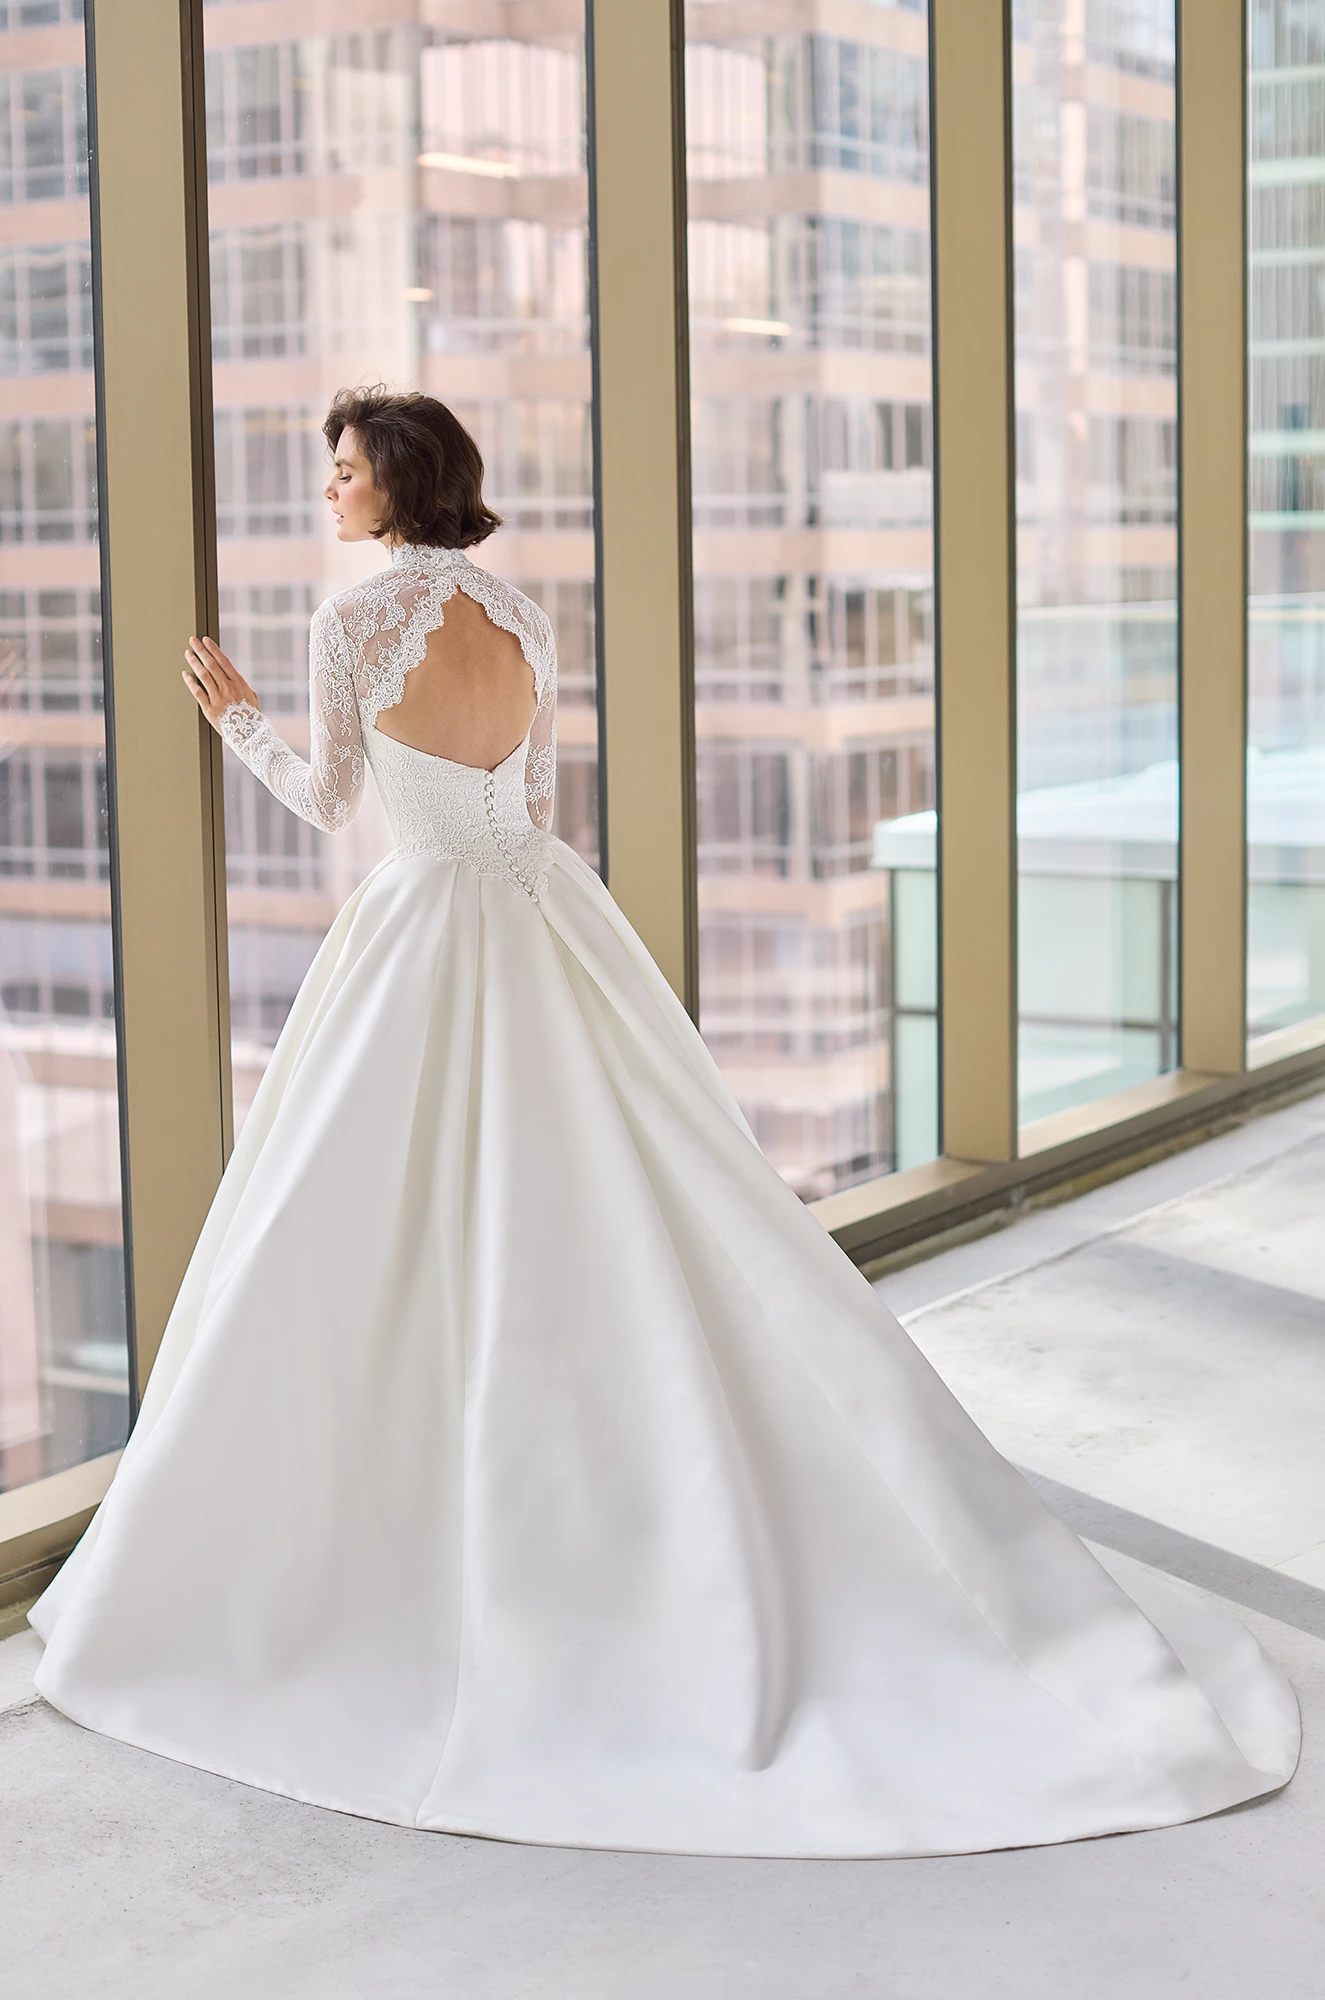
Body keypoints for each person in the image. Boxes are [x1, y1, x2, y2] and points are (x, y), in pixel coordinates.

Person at [28, 388, 1298, 1858]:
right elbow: (528, 803)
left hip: (424, 935)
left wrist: (236, 718)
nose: (330, 489)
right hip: (545, 918)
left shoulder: (352, 628)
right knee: (608, 1210)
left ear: (398, 483)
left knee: (370, 1234)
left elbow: (328, 804)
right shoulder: (520, 616)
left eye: (345, 469)